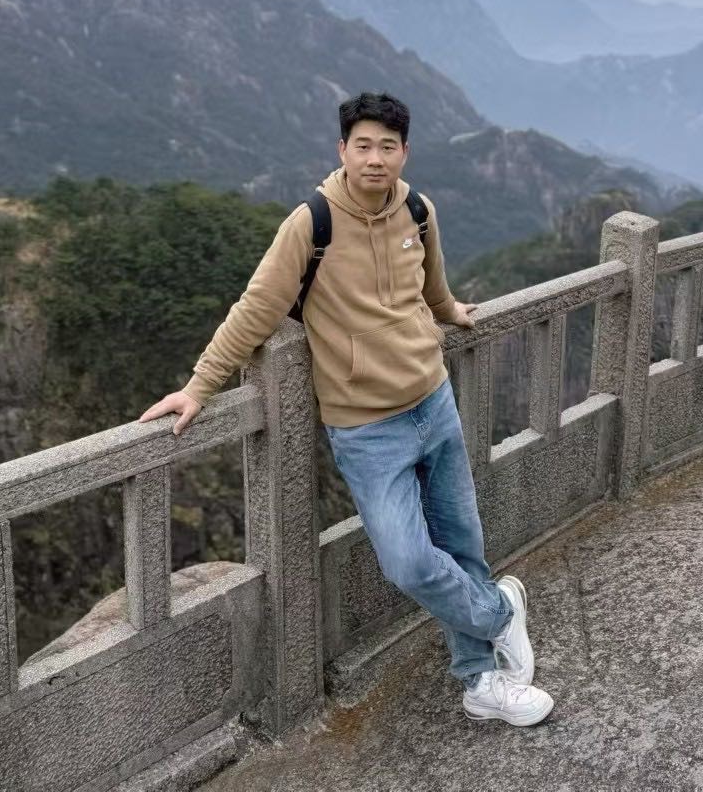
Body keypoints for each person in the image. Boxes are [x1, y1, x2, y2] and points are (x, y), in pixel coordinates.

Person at [139, 90, 553, 727]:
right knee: (408, 561)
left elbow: (431, 286)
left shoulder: (418, 211)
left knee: (461, 544)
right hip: (366, 428)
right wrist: (199, 387)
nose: (375, 158)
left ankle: (479, 681)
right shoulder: (311, 225)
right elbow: (256, 309)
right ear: (342, 150)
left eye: (388, 146)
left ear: (404, 152)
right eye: (363, 146)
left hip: (434, 400)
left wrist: (451, 312)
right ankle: (501, 612)